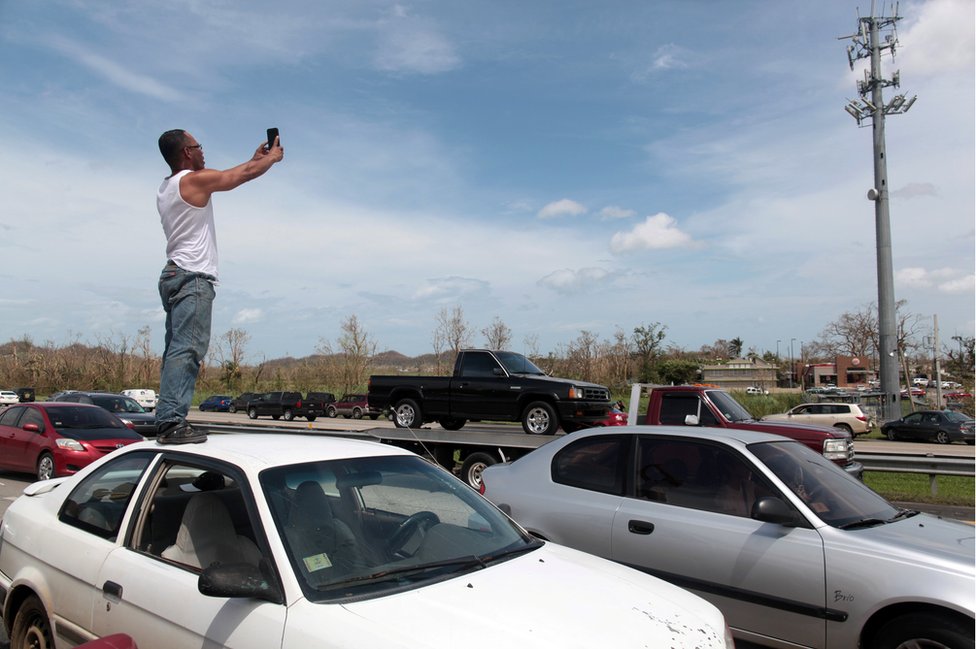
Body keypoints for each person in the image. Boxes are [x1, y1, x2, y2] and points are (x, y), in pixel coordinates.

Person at [154, 129, 283, 444]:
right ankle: (171, 422)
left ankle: (166, 418)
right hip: (192, 277)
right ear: (186, 152)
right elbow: (239, 176)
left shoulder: (166, 187)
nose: (203, 152)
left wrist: (254, 159)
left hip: (173, 274)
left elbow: (237, 169)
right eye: (198, 147)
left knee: (175, 350)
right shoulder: (192, 181)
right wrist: (270, 160)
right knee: (188, 350)